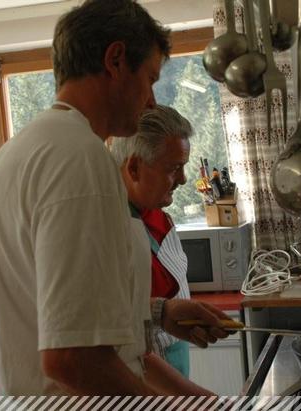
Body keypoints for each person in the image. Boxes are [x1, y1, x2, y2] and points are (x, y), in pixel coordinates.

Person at [0, 0, 229, 395]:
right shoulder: (80, 157)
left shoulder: (17, 152)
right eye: (149, 79)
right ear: (115, 61)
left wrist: (158, 311)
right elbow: (72, 358)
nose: (151, 100)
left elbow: (55, 308)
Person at [111, 105, 194, 377]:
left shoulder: (158, 213)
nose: (183, 179)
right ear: (134, 168)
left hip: (175, 356)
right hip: (143, 373)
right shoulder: (107, 228)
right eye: (174, 168)